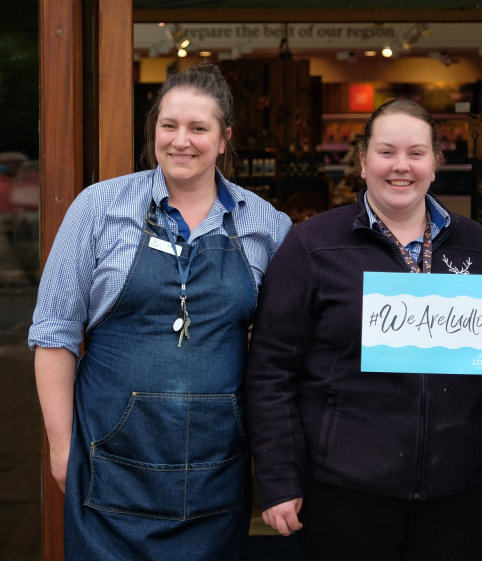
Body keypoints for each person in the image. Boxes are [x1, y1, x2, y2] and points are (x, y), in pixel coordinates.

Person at [28, 64, 291, 561]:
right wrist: (62, 449)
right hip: (109, 471)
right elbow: (54, 334)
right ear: (153, 130)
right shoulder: (98, 209)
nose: (181, 141)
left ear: (224, 138)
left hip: (218, 474)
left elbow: (307, 333)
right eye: (169, 126)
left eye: (198, 128)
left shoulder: (266, 226)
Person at [245, 97, 482, 561]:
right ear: (363, 160)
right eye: (387, 152)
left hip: (460, 496)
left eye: (416, 153)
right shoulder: (312, 247)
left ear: (435, 163)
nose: (401, 167)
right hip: (344, 496)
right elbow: (270, 370)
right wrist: (277, 478)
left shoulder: (479, 248)